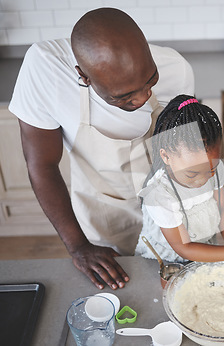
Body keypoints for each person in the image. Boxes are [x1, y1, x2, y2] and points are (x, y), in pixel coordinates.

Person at [8, 8, 194, 290]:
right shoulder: (46, 69)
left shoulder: (176, 68)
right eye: (125, 96)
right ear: (83, 76)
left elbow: (183, 148)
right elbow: (41, 165)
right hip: (101, 216)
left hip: (165, 208)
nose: (144, 97)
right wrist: (79, 247)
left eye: (150, 80)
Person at [135, 95, 224, 264]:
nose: (202, 180)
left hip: (203, 247)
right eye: (191, 174)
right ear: (166, 156)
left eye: (210, 171)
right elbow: (183, 247)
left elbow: (223, 208)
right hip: (165, 258)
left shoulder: (215, 169)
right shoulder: (158, 195)